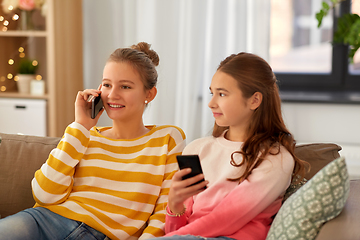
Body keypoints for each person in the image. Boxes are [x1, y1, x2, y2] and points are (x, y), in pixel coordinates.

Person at [0, 42, 186, 240]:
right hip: (45, 221)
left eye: (125, 86)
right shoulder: (84, 135)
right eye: (107, 84)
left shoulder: (167, 139)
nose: (112, 95)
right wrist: (80, 125)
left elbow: (164, 211)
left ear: (149, 94)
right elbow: (44, 194)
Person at [149, 52, 308, 240]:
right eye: (212, 93)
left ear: (254, 100)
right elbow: (173, 231)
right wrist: (175, 204)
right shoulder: (197, 149)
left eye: (222, 94)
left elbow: (226, 219)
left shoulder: (275, 158)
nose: (211, 103)